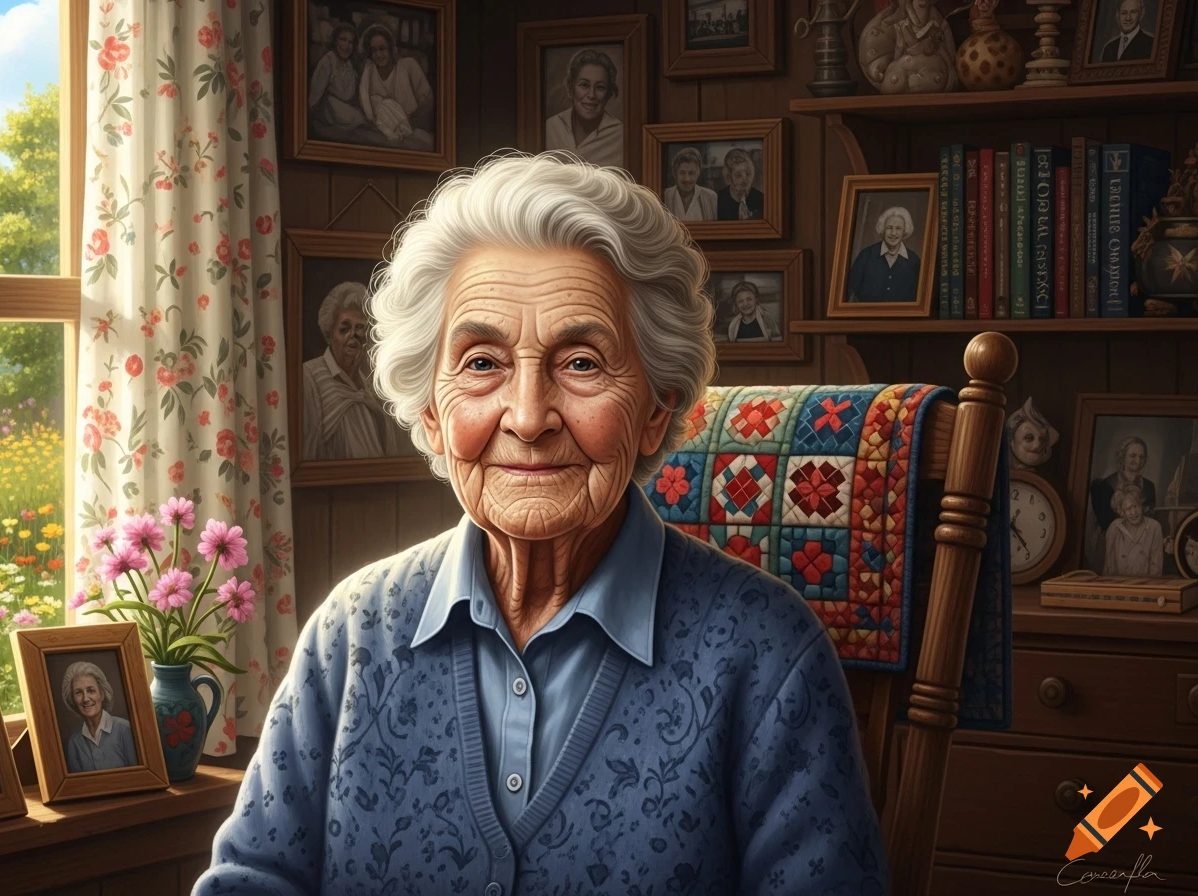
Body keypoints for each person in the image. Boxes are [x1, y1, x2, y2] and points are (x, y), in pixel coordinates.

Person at [198, 153, 888, 894]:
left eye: (582, 363)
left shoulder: (768, 653)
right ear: (430, 413)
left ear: (656, 410)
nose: (528, 417)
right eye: (482, 362)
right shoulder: (353, 632)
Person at [302, 281, 411, 460]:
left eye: (360, 328)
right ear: (329, 334)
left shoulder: (370, 384)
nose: (353, 335)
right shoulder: (309, 377)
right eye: (344, 329)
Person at [544, 49, 624, 168]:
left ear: (608, 94)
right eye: (584, 85)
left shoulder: (621, 136)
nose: (591, 95)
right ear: (570, 89)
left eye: (600, 87)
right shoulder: (550, 128)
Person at [358, 23, 435, 145]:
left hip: (414, 128)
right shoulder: (369, 72)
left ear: (390, 48)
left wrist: (410, 125)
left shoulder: (408, 65)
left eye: (382, 49)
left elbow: (427, 101)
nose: (378, 55)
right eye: (374, 50)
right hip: (384, 132)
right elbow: (367, 106)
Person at [61, 661, 139, 773]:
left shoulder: (125, 730)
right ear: (72, 699)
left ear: (101, 694)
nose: (85, 698)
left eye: (91, 691)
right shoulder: (75, 742)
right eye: (78, 692)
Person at [848, 205, 922, 302]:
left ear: (905, 231)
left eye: (898, 228)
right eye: (889, 228)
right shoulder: (866, 255)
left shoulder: (914, 260)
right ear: (882, 229)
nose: (893, 233)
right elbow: (851, 291)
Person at [308, 23, 367, 137]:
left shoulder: (350, 65)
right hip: (328, 112)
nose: (346, 45)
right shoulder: (327, 62)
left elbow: (353, 95)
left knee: (361, 120)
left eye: (350, 42)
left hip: (345, 111)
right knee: (357, 121)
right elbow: (314, 98)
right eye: (343, 39)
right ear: (335, 41)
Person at [1103, 486, 1164, 576]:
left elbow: (1156, 567)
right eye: (1128, 509)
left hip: (1146, 583)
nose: (1133, 512)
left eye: (1135, 506)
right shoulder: (1114, 527)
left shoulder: (1154, 527)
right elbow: (1109, 566)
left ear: (1141, 506)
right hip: (1119, 583)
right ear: (1122, 512)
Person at [661, 146, 717, 222]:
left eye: (691, 173)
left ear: (698, 173)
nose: (687, 179)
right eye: (682, 173)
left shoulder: (711, 197)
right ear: (674, 174)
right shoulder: (665, 195)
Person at [715, 147, 764, 221]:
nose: (745, 179)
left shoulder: (760, 198)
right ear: (729, 177)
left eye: (747, 174)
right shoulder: (718, 199)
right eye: (738, 175)